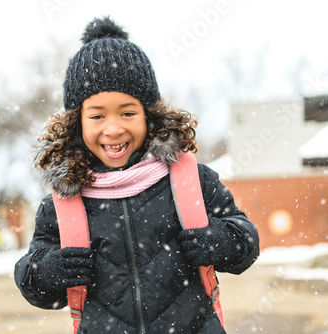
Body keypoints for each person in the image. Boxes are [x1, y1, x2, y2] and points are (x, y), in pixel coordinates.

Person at [14, 16, 260, 333]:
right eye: (97, 115)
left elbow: (245, 240)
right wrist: (47, 271)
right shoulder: (63, 203)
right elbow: (35, 281)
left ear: (149, 115)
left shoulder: (190, 181)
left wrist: (221, 243)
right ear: (78, 122)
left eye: (128, 112)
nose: (113, 128)